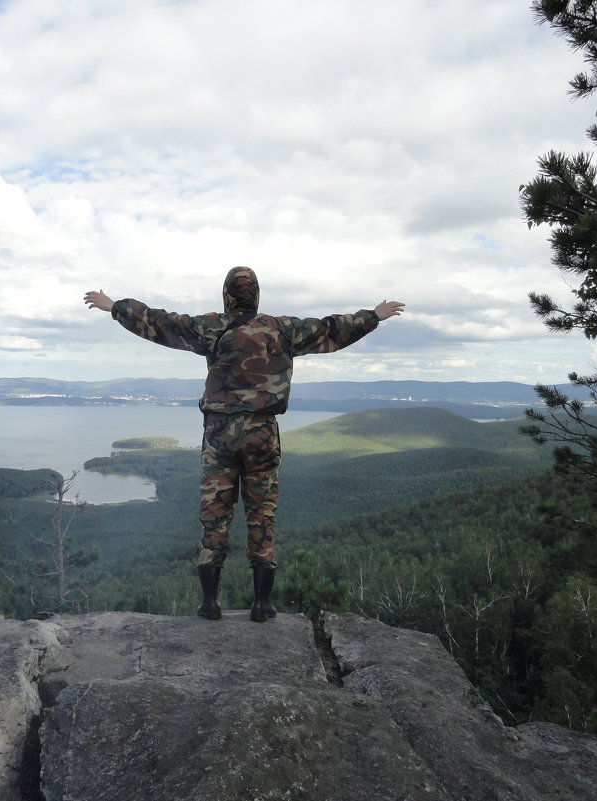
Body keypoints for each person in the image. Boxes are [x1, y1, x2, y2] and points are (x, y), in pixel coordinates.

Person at [84, 266, 403, 622]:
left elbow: (160, 322)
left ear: (226, 295)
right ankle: (262, 604)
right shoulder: (282, 328)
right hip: (263, 434)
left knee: (214, 516)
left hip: (220, 435)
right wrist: (373, 316)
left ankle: (209, 603)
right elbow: (332, 328)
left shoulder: (211, 326)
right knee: (262, 513)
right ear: (256, 295)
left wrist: (114, 306)